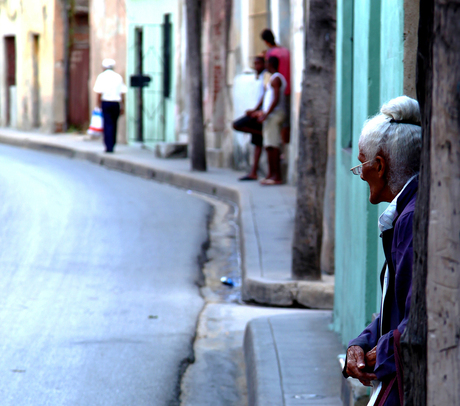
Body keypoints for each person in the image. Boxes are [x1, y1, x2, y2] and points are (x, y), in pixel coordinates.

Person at [344, 96, 422, 406]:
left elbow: (418, 317)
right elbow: (395, 305)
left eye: (361, 163)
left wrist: (383, 352)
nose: (360, 173)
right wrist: (361, 344)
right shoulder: (405, 212)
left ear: (378, 166)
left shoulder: (412, 219)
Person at [233, 56, 267, 181]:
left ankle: (261, 133)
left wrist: (257, 111)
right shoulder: (256, 78)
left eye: (259, 64)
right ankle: (254, 171)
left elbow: (266, 96)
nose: (256, 66)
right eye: (255, 64)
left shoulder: (266, 77)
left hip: (260, 114)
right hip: (257, 112)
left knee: (237, 124)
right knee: (257, 143)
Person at [254, 56, 286, 185]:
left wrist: (266, 114)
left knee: (272, 145)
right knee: (269, 145)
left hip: (274, 115)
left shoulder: (276, 78)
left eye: (266, 63)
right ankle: (270, 174)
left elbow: (276, 98)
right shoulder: (272, 78)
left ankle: (276, 176)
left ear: (270, 64)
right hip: (270, 115)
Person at [260, 29, 291, 143]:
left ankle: (280, 148)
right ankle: (284, 144)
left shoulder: (271, 54)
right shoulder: (285, 51)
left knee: (274, 125)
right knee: (286, 121)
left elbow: (268, 78)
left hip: (276, 89)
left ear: (265, 41)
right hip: (287, 87)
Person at [93, 58, 127, 153]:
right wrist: (122, 106)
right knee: (114, 124)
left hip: (106, 102)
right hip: (116, 103)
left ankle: (108, 146)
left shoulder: (101, 76)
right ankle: (112, 144)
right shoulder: (118, 77)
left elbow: (99, 92)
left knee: (107, 124)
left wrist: (98, 105)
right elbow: (122, 92)